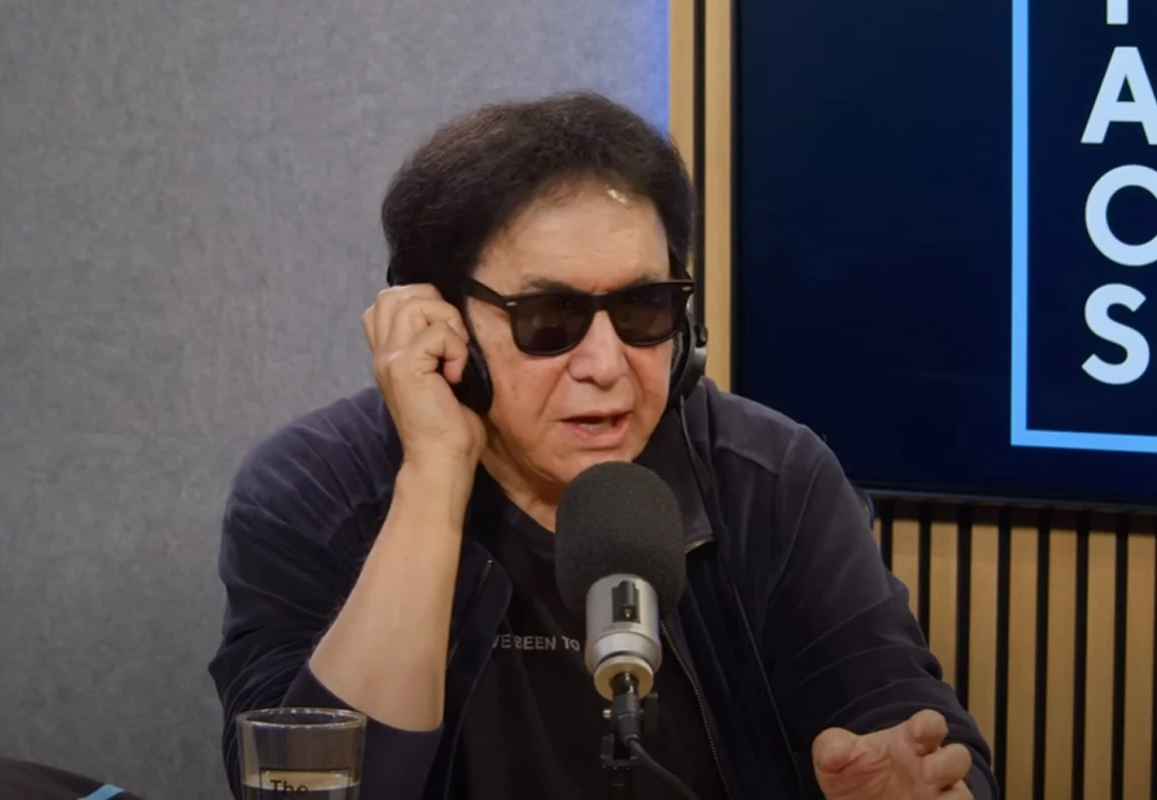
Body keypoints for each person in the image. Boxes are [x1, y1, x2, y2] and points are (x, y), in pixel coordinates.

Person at [207, 91, 997, 800]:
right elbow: (308, 786)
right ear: (443, 324)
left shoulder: (770, 480)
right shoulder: (313, 487)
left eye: (643, 308)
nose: (606, 365)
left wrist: (918, 788)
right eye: (549, 319)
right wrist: (435, 476)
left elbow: (906, 727)